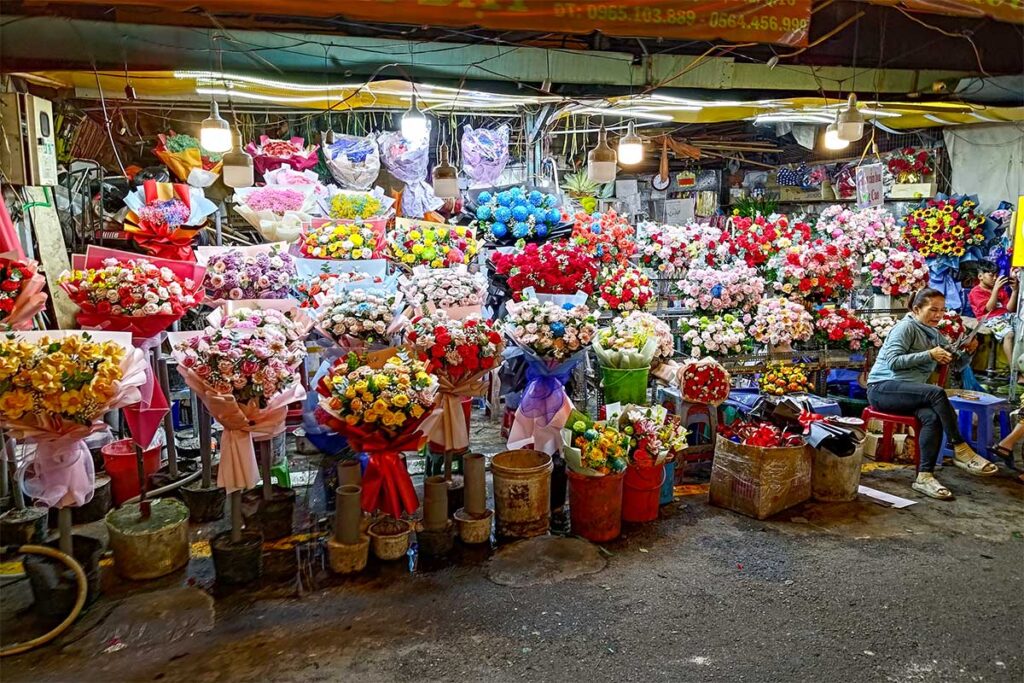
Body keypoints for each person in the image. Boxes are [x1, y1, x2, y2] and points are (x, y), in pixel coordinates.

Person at [867, 288, 998, 500]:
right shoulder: (905, 328)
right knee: (937, 393)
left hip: (911, 393)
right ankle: (960, 448)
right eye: (933, 310)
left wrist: (967, 352)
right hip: (883, 388)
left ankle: (924, 477)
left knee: (931, 416)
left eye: (942, 311)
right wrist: (929, 354)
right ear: (917, 309)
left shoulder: (935, 334)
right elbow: (893, 362)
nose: (938, 315)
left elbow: (955, 364)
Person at [967, 261, 1019, 368]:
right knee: (1009, 334)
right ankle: (1014, 371)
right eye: (991, 275)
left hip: (1005, 316)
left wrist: (1014, 291)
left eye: (996, 275)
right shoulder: (975, 292)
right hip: (989, 318)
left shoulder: (1001, 290)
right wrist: (995, 290)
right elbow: (988, 309)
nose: (995, 278)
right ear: (980, 276)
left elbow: (1009, 309)